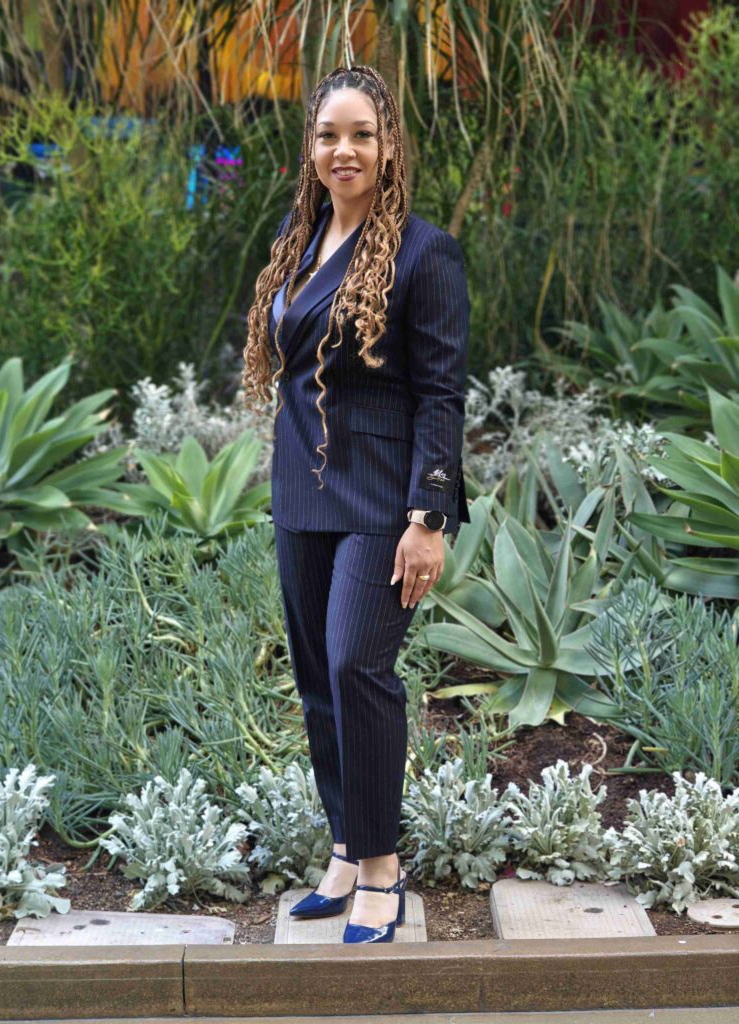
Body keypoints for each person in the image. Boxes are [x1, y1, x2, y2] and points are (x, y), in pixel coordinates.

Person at [242, 64, 470, 943]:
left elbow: (443, 394)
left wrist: (430, 516)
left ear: (388, 147)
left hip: (384, 504)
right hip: (302, 495)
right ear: (312, 146)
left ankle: (383, 870)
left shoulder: (424, 252)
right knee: (316, 685)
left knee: (355, 667)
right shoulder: (297, 243)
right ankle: (345, 846)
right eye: (330, 134)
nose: (345, 150)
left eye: (362, 135)